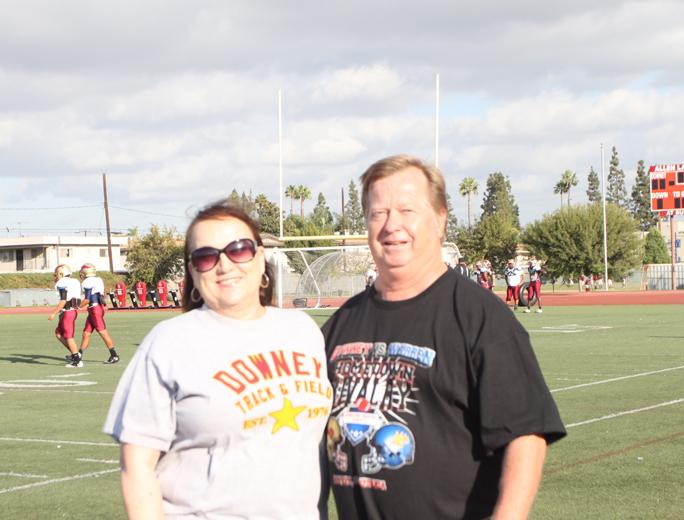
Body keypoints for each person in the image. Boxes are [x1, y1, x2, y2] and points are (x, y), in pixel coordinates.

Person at [322, 155, 565, 519]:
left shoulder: (481, 318)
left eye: (407, 210)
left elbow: (525, 435)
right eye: (379, 213)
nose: (392, 226)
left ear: (440, 219)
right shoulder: (341, 325)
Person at [104, 200, 332, 519]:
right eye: (206, 256)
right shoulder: (168, 342)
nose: (224, 265)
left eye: (238, 249)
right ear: (193, 273)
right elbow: (136, 466)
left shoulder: (303, 330)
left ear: (260, 257)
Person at [77, 263, 120, 364]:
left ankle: (114, 355)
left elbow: (87, 300)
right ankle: (78, 355)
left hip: (95, 309)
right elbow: (103, 294)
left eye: (83, 272)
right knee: (86, 334)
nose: (81, 274)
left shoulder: (87, 282)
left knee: (103, 333)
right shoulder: (98, 279)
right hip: (96, 308)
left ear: (86, 272)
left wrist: (77, 307)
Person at [48, 264, 83, 368]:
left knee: (68, 336)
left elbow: (63, 300)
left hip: (68, 311)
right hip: (70, 311)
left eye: (57, 274)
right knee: (58, 333)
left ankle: (77, 360)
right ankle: (75, 353)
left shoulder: (63, 282)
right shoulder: (75, 281)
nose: (56, 276)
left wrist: (53, 313)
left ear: (61, 273)